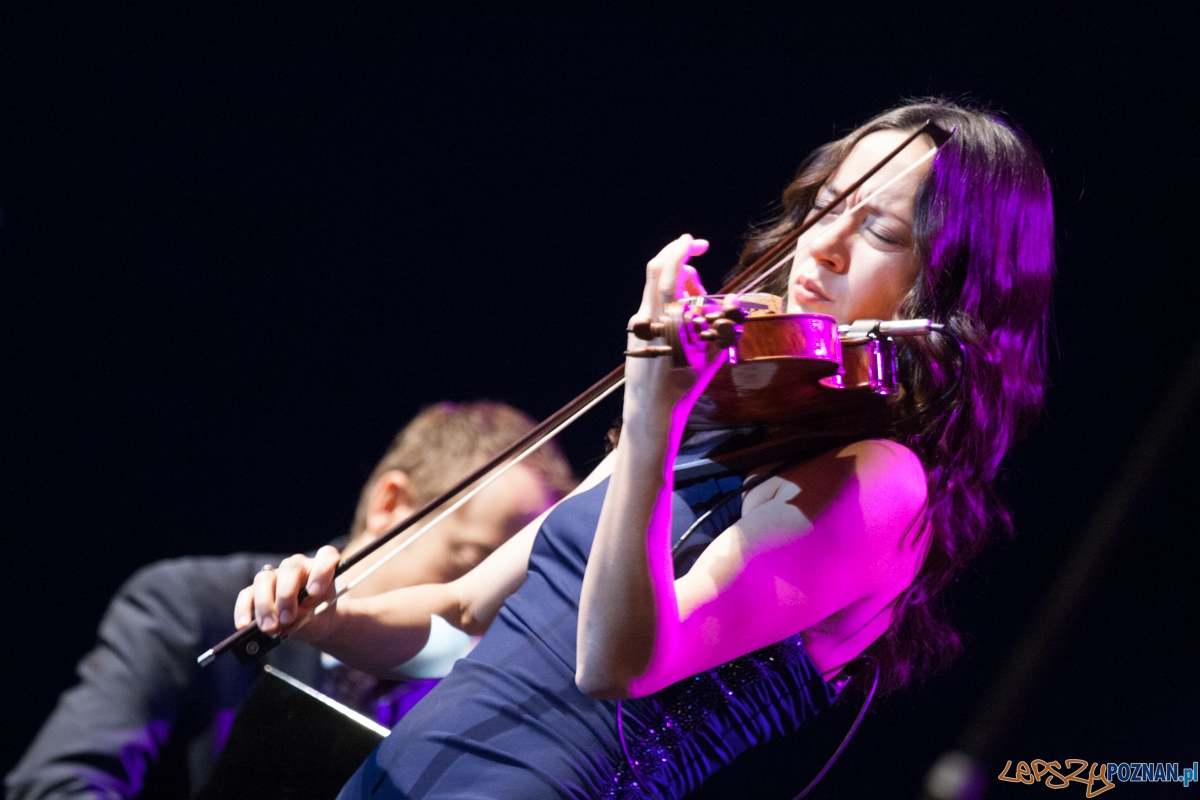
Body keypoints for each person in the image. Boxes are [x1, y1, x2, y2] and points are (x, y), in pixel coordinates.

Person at [239, 99, 1055, 799]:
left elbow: (619, 666)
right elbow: (462, 620)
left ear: (949, 288)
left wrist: (652, 423)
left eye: (879, 229)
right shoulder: (724, 410)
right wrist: (328, 616)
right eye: (827, 204)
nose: (825, 245)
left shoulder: (881, 483)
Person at [6, 401, 576, 800]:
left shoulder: (470, 683)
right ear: (391, 502)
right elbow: (57, 784)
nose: (488, 599)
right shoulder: (189, 605)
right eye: (474, 559)